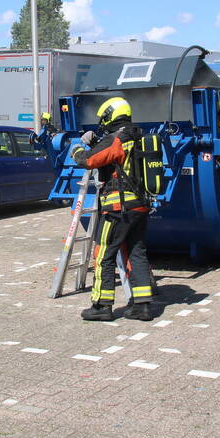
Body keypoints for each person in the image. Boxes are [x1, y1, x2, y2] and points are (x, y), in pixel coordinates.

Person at [70, 97, 154, 321]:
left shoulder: (117, 137)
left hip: (118, 208)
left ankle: (101, 306)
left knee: (104, 255)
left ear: (110, 115)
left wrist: (77, 149)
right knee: (137, 253)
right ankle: (143, 306)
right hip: (140, 205)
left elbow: (90, 160)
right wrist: (98, 141)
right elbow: (117, 160)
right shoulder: (138, 136)